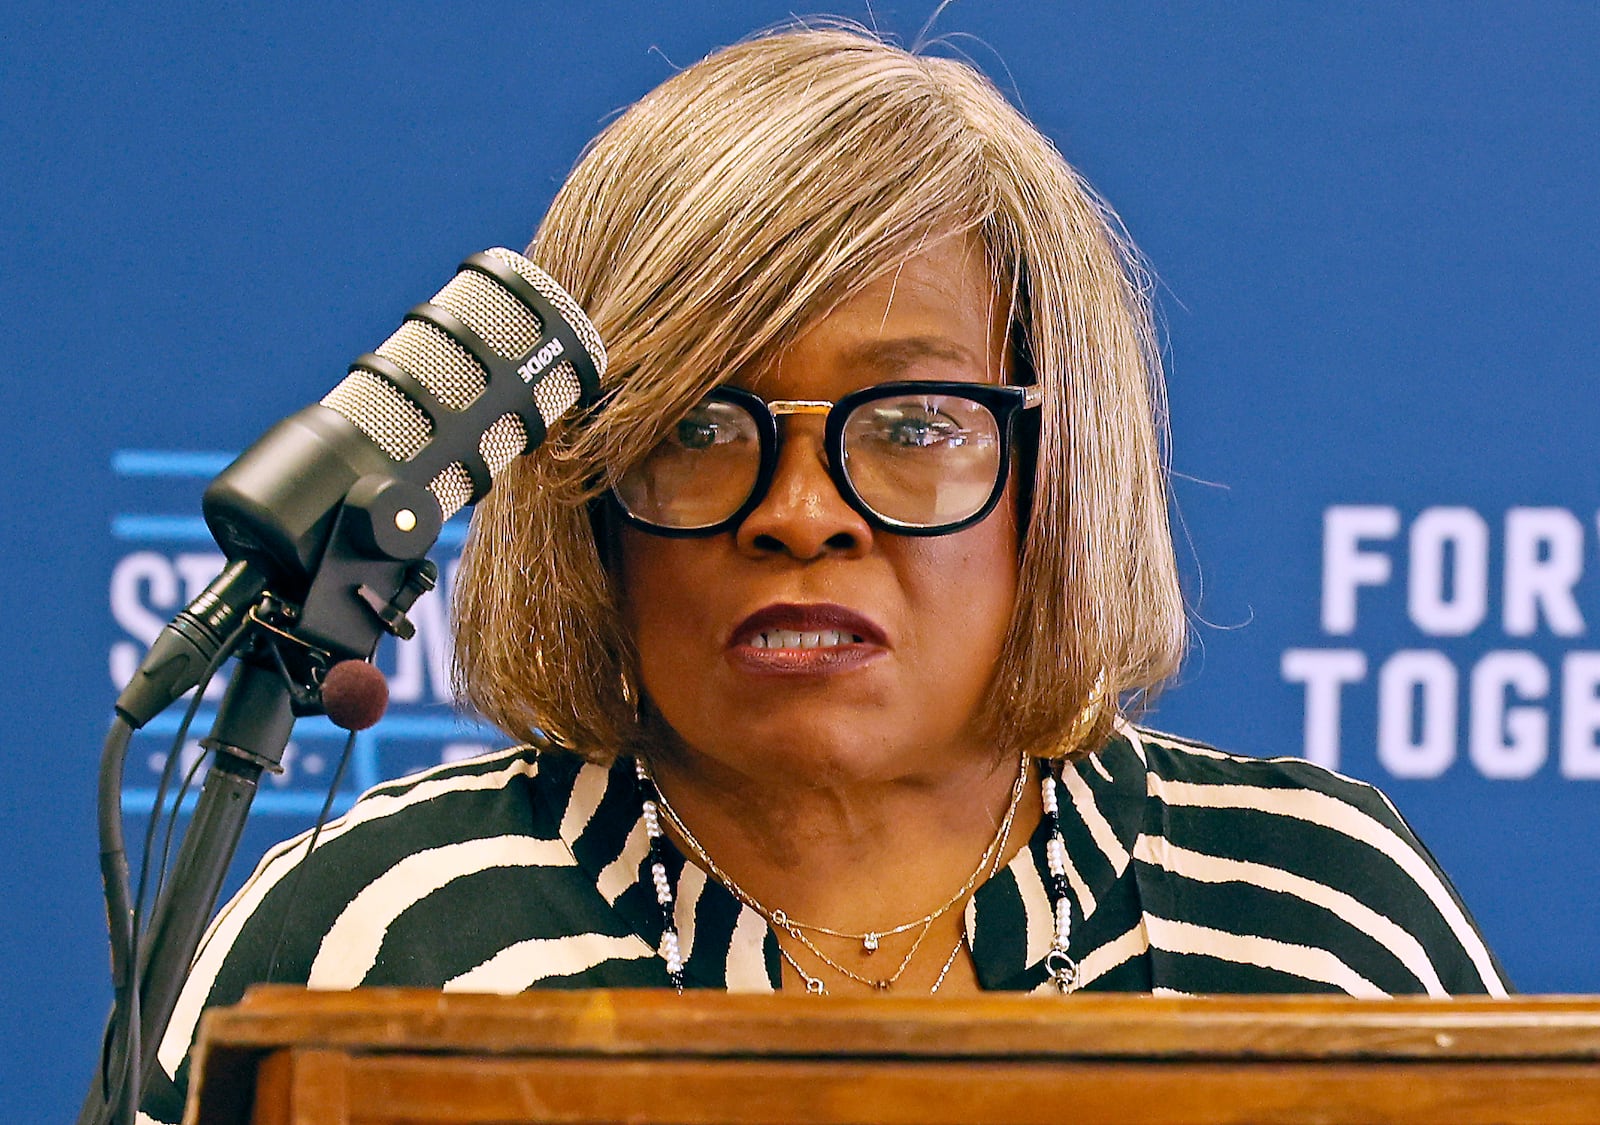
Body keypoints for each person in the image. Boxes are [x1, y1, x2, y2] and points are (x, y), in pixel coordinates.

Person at [139, 24, 1507, 1123]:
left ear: (1056, 473)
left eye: (910, 425)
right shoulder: (371, 931)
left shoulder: (1317, 911)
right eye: (697, 426)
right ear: (588, 495)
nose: (799, 515)